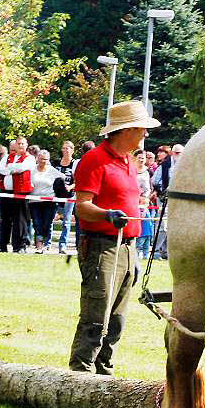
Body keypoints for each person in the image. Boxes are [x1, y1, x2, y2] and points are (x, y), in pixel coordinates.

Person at [69, 100, 158, 375]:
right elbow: (82, 206)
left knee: (118, 317)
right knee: (98, 313)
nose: (146, 134)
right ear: (126, 130)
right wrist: (108, 215)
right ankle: (81, 371)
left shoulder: (128, 163)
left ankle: (104, 367)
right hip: (102, 246)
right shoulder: (94, 159)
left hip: (128, 247)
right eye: (142, 129)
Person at [0, 136, 34, 252]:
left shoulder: (30, 158)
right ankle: (2, 245)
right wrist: (12, 169)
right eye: (19, 144)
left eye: (23, 144)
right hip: (5, 192)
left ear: (26, 145)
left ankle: (19, 246)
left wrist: (10, 168)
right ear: (15, 145)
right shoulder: (7, 157)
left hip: (21, 192)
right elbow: (1, 169)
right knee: (4, 219)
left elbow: (23, 168)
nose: (20, 146)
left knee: (20, 220)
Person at [29, 150, 63, 253]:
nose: (43, 161)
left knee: (47, 224)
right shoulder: (32, 169)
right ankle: (39, 246)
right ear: (37, 159)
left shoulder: (51, 170)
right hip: (34, 201)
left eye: (46, 159)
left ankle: (46, 244)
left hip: (49, 201)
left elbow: (63, 177)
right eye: (41, 159)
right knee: (37, 223)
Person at [53, 140, 79, 254]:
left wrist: (70, 187)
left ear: (72, 150)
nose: (65, 150)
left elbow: (78, 181)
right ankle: (45, 243)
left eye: (68, 148)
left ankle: (62, 245)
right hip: (55, 194)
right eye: (64, 148)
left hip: (69, 195)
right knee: (51, 219)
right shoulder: (57, 162)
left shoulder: (75, 163)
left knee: (66, 221)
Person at [134, 149, 154, 259]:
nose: (141, 160)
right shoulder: (131, 170)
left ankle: (143, 251)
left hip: (144, 202)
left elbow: (149, 188)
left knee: (145, 225)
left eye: (143, 158)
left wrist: (145, 199)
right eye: (139, 157)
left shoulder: (148, 171)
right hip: (132, 200)